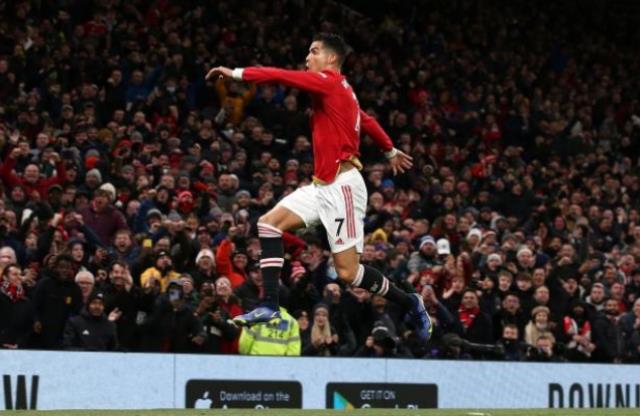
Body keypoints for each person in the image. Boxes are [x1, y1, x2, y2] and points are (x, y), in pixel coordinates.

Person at [206, 32, 431, 341]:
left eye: (313, 51)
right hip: (322, 185)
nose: (307, 57)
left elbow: (281, 76)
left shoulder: (329, 82)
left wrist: (235, 73)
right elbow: (365, 119)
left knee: (348, 273)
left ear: (331, 58)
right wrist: (389, 149)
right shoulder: (342, 93)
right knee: (268, 225)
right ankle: (269, 305)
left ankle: (409, 301)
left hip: (344, 186)